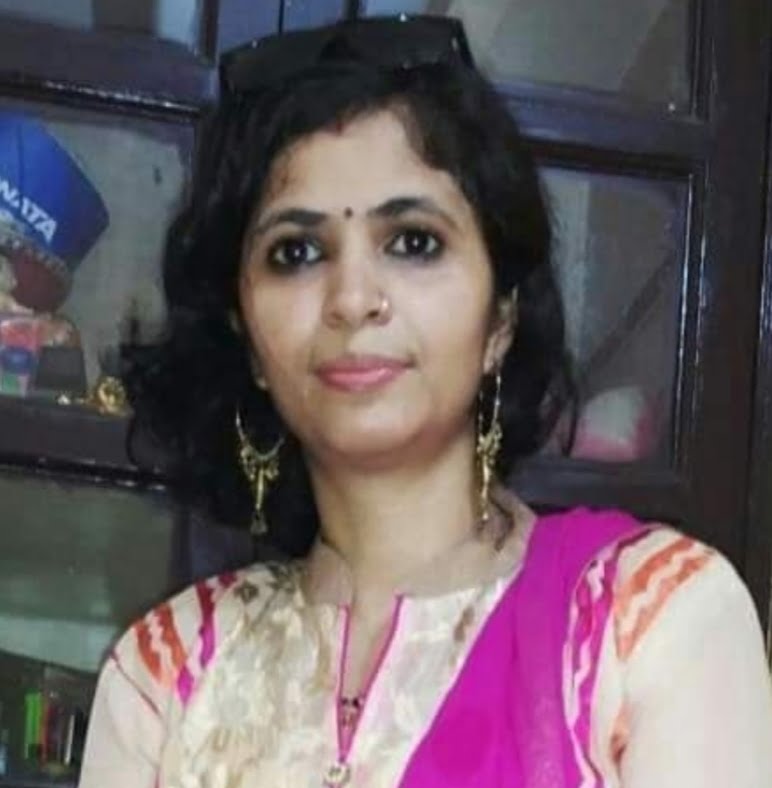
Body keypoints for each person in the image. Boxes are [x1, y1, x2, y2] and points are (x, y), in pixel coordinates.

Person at [78, 15, 772, 788]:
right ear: (246, 338)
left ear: (500, 319)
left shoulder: (647, 621)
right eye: (296, 252)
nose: (353, 298)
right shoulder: (166, 676)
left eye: (413, 242)